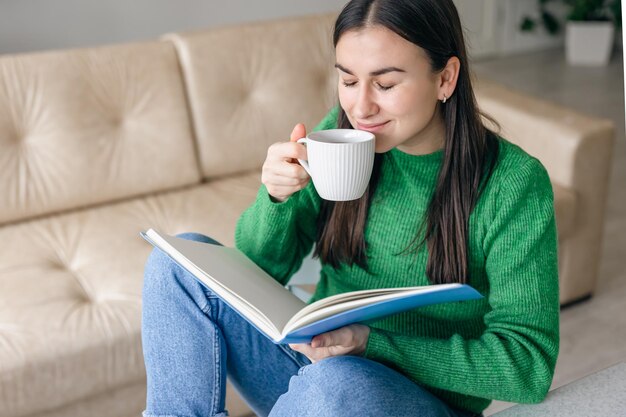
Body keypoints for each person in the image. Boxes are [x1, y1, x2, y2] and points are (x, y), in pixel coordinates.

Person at [141, 0, 560, 416]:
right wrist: (276, 199)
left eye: (385, 84)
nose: (360, 109)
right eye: (348, 81)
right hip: (312, 368)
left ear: (446, 78)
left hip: (410, 400)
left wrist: (370, 343)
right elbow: (256, 271)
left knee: (335, 383)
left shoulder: (513, 183)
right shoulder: (340, 136)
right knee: (176, 264)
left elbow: (527, 367)